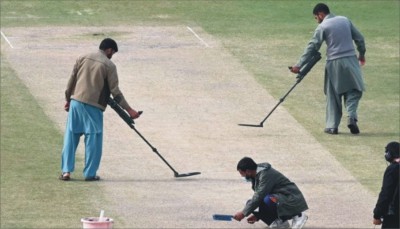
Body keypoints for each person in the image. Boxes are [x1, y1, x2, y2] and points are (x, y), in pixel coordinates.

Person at [59, 38, 141, 181]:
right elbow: (116, 92)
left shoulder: (82, 57)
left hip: (76, 103)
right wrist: (130, 110)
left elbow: (71, 81)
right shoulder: (109, 65)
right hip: (94, 107)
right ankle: (90, 174)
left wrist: (68, 100)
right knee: (93, 140)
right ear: (109, 50)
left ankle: (66, 171)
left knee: (70, 138)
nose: (112, 56)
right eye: (113, 53)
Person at [290, 3, 366, 135]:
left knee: (333, 94)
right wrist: (362, 55)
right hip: (351, 60)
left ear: (320, 14)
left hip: (333, 63)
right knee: (354, 90)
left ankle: (332, 126)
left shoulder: (323, 26)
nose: (316, 20)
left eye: (316, 17)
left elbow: (312, 47)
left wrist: (299, 65)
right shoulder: (345, 20)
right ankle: (352, 116)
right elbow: (360, 39)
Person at [233, 157, 308, 229]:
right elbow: (259, 198)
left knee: (268, 199)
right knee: (251, 203)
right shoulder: (256, 176)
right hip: (280, 198)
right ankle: (281, 223)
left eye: (242, 173)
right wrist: (259, 215)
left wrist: (243, 213)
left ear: (248, 171)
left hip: (291, 198)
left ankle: (298, 215)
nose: (241, 176)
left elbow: (259, 197)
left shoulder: (265, 174)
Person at [373, 141, 399, 228]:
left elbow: (386, 194)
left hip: (394, 216)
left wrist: (377, 214)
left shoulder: (393, 169)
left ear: (389, 155)